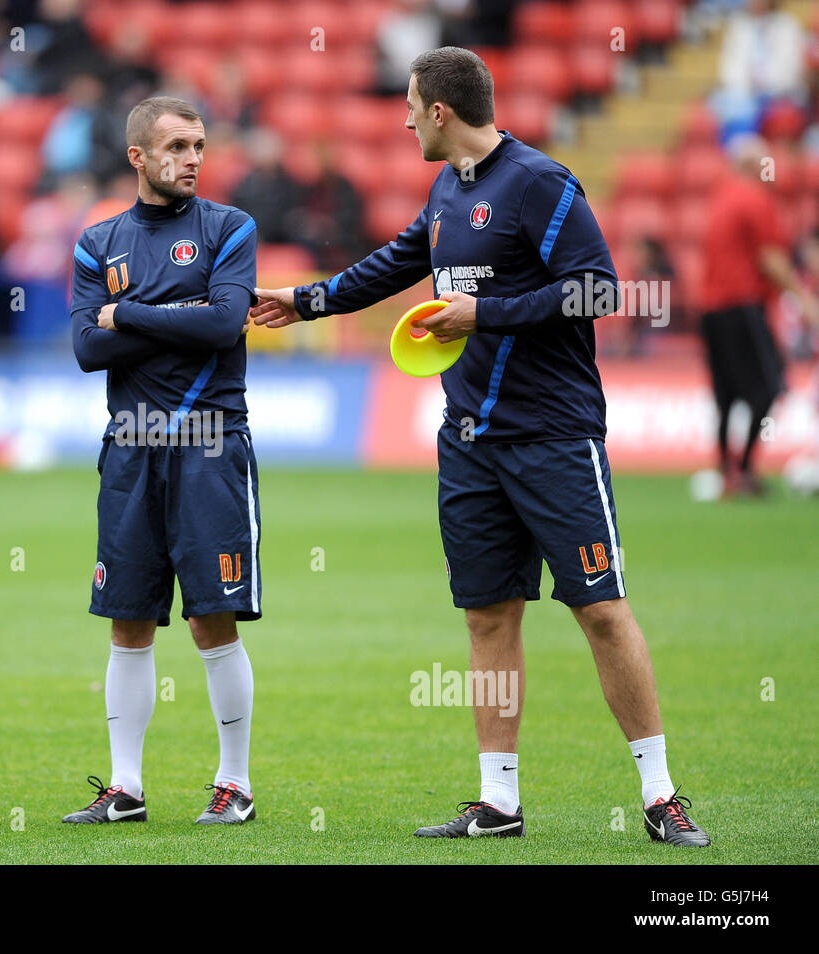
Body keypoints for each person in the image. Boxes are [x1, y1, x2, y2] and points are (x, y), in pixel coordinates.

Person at [251, 47, 711, 846]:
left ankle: (661, 795)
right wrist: (309, 300)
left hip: (554, 436)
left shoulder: (539, 181)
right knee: (488, 617)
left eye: (407, 104)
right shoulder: (445, 188)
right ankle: (498, 801)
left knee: (601, 609)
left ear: (439, 111)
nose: (398, 118)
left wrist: (484, 314)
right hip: (467, 441)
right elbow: (401, 258)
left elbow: (598, 288)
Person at [66, 96, 261, 825]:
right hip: (130, 448)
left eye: (200, 145)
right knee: (127, 621)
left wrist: (132, 313)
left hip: (209, 443)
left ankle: (234, 784)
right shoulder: (98, 241)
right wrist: (182, 313)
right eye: (177, 145)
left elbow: (222, 323)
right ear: (139, 157)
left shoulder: (230, 227)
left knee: (213, 619)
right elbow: (88, 348)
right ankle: (126, 788)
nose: (193, 158)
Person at [699, 133, 819, 496]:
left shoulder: (720, 198)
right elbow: (771, 260)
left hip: (711, 311)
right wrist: (806, 301)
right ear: (756, 166)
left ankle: (726, 472)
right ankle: (746, 468)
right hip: (743, 308)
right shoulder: (756, 200)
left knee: (725, 393)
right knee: (768, 387)